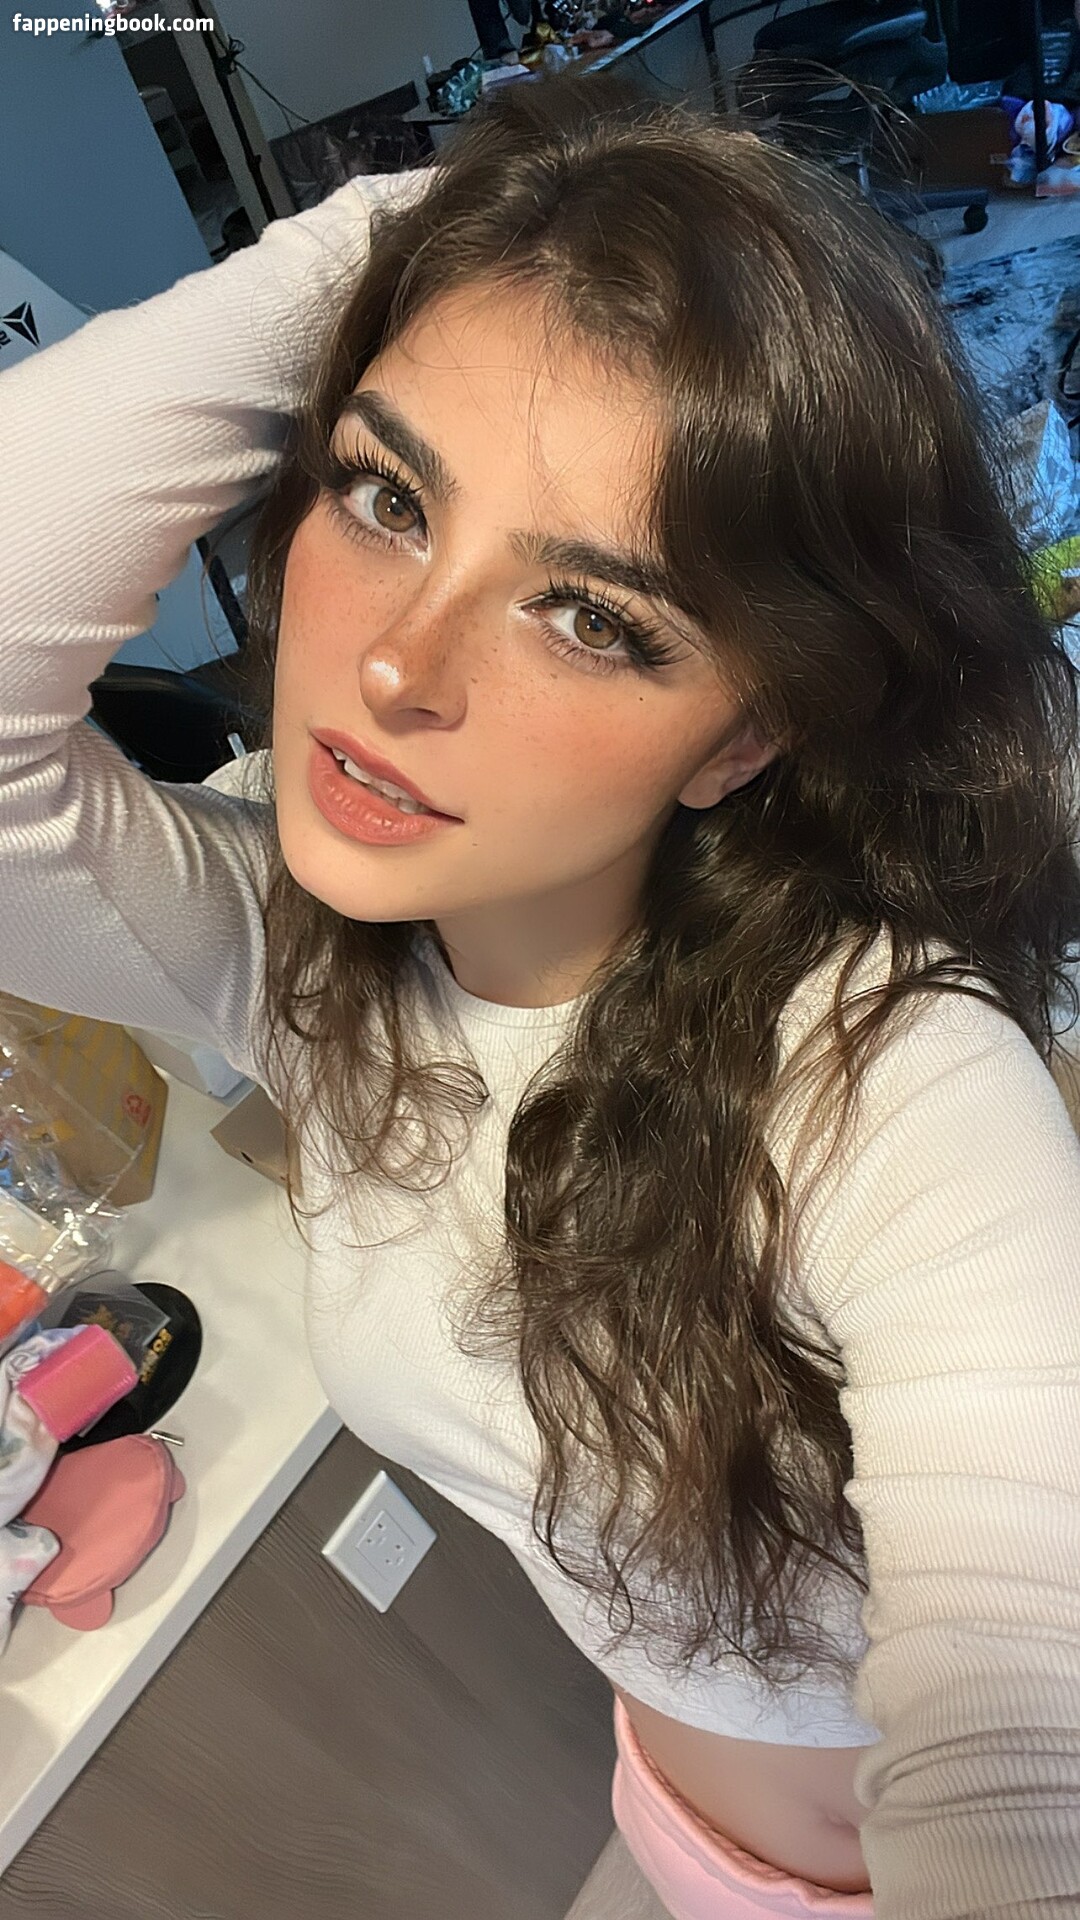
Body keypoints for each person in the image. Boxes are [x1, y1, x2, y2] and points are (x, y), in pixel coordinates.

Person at [3, 69, 1080, 1920]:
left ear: (742, 737)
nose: (398, 665)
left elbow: (1032, 1730)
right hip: (661, 1810)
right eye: (387, 495)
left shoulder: (883, 1078)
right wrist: (449, 223)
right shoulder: (300, 953)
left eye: (593, 615)